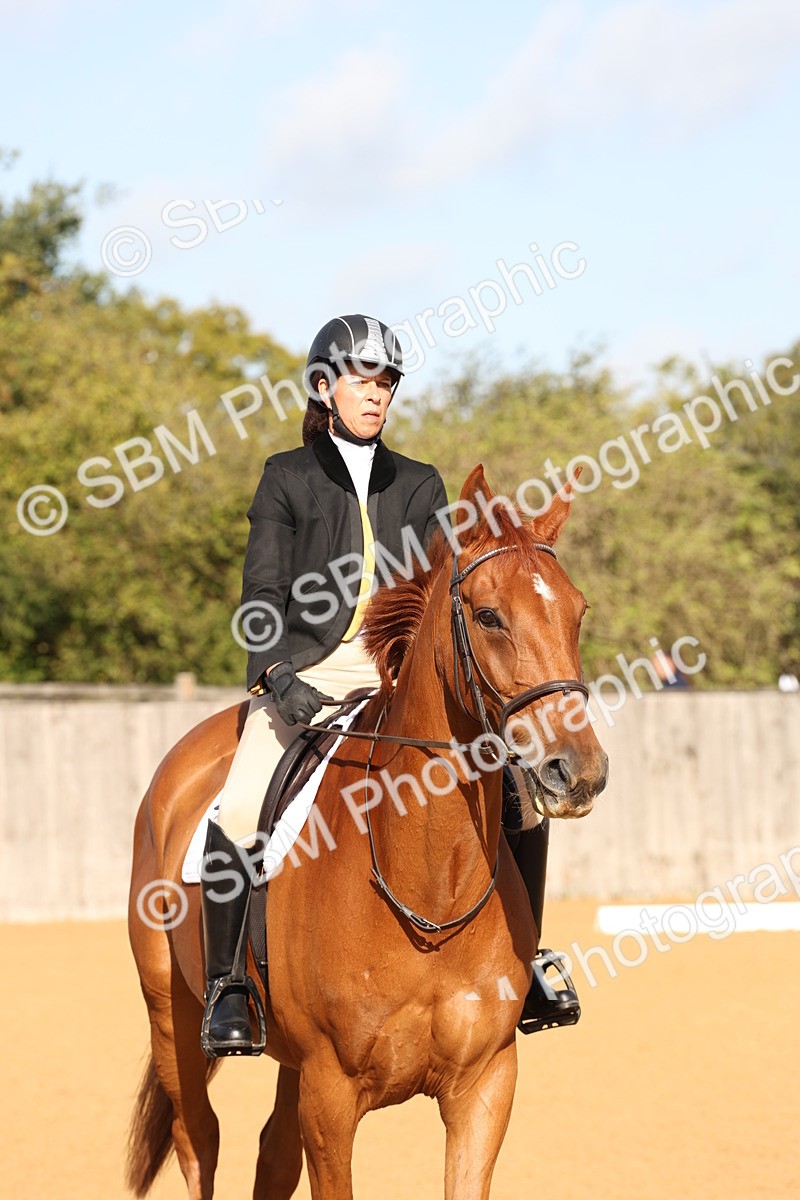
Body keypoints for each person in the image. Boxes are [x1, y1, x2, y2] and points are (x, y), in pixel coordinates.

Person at [199, 314, 579, 1057]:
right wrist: (276, 674)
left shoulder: (419, 481)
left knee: (519, 797)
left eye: (386, 383)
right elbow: (261, 594)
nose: (376, 395)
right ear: (324, 386)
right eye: (362, 381)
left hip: (394, 672)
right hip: (307, 673)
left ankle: (527, 961)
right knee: (240, 804)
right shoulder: (286, 476)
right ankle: (228, 987)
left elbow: (443, 590)